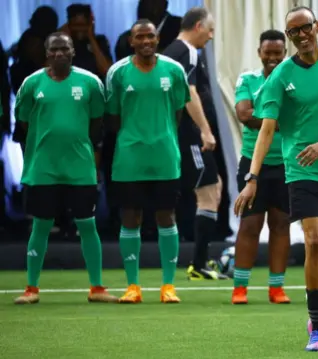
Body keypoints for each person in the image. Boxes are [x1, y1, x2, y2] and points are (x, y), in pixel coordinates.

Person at [234, 6, 318, 351]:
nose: (302, 35)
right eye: (294, 32)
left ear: (317, 27)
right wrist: (252, 177)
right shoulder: (281, 75)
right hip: (301, 169)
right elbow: (266, 131)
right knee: (313, 242)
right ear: (289, 37)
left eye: (306, 28)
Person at [13, 32, 117, 304]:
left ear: (73, 52)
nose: (59, 54)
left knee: (87, 226)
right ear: (46, 54)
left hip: (80, 169)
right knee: (41, 227)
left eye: (65, 49)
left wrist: (78, 144)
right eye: (54, 50)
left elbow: (97, 122)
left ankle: (97, 288)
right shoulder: (31, 84)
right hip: (43, 168)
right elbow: (24, 122)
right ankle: (31, 289)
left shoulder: (91, 82)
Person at [106, 19, 190, 304]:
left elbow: (178, 113)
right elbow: (114, 117)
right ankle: (133, 286)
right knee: (131, 218)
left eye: (150, 36)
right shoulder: (117, 73)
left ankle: (168, 286)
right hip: (129, 158)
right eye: (139, 37)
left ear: (157, 39)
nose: (145, 41)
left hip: (165, 156)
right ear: (131, 41)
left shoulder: (174, 70)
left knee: (166, 217)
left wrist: (160, 135)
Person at [231, 30, 291, 304]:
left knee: (280, 224)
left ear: (285, 53)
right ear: (259, 52)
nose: (273, 58)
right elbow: (244, 114)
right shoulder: (248, 79)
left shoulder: (294, 79)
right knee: (250, 224)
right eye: (268, 52)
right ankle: (240, 288)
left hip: (287, 161)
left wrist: (264, 118)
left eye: (278, 52)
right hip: (253, 162)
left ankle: (276, 288)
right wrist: (281, 122)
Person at [162, 7, 219, 280]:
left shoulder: (172, 52)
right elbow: (189, 93)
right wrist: (205, 131)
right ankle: (198, 263)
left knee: (212, 187)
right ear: (197, 26)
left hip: (179, 133)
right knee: (208, 191)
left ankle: (200, 260)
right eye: (209, 30)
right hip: (188, 133)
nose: (211, 36)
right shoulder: (187, 52)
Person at [115, 0, 182, 61]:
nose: (142, 5)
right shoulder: (124, 41)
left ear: (164, 4)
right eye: (141, 2)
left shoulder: (182, 28)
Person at [64, 4, 113, 79]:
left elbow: (107, 71)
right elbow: (49, 71)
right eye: (76, 25)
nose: (79, 30)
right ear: (69, 25)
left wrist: (91, 38)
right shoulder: (65, 43)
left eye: (83, 25)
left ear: (90, 24)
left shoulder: (100, 41)